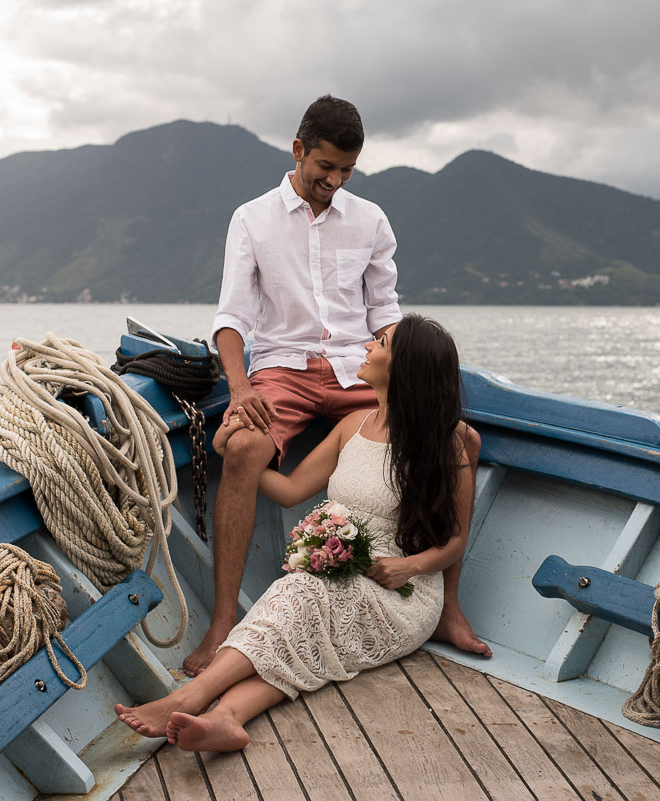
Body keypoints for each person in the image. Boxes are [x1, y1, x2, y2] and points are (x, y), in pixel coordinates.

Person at [183, 94, 489, 676]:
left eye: (347, 170)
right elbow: (231, 319)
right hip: (282, 370)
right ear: (299, 151)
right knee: (245, 447)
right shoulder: (251, 218)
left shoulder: (370, 220)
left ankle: (448, 605)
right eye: (326, 167)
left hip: (361, 371)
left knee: (460, 441)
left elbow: (386, 313)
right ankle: (224, 623)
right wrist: (240, 386)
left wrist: (417, 381)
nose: (335, 180)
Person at [118, 316, 472, 750]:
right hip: (340, 578)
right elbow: (288, 491)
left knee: (300, 597)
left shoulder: (445, 444)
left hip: (402, 595)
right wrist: (226, 450)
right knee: (301, 637)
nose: (366, 346)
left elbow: (455, 541)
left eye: (380, 343)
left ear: (405, 368)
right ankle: (227, 717)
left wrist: (407, 566)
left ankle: (189, 696)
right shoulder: (353, 426)